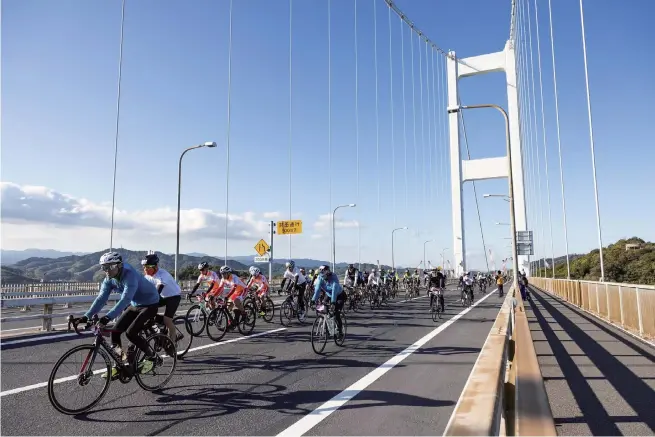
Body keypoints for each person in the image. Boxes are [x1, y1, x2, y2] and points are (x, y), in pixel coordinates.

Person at [78, 252, 161, 378]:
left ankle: (153, 357)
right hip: (136, 304)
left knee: (131, 332)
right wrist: (87, 316)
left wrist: (107, 317)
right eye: (104, 267)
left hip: (150, 303)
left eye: (110, 267)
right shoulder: (108, 280)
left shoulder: (130, 275)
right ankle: (121, 362)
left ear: (119, 265)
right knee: (115, 332)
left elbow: (125, 299)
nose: (107, 270)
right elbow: (101, 299)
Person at [141, 252, 182, 344]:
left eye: (148, 267)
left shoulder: (162, 275)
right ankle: (161, 328)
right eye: (144, 267)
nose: (145, 269)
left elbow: (158, 290)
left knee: (167, 320)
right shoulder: (148, 276)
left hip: (174, 296)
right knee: (147, 311)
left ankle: (173, 341)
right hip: (163, 297)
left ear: (155, 267)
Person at [206, 265, 248, 330]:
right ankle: (231, 322)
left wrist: (227, 296)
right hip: (236, 292)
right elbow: (219, 288)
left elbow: (233, 288)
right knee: (228, 307)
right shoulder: (223, 279)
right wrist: (213, 296)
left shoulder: (234, 277)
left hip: (243, 290)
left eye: (224, 274)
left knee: (236, 302)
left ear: (228, 273)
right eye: (222, 274)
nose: (223, 275)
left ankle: (244, 314)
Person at [311, 265, 345, 339]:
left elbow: (334, 290)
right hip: (328, 295)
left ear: (328, 274)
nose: (324, 279)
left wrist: (333, 302)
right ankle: (329, 327)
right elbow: (317, 289)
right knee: (325, 311)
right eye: (322, 277)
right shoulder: (320, 277)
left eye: (325, 276)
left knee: (336, 313)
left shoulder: (334, 277)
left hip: (339, 295)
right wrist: (313, 300)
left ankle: (340, 331)